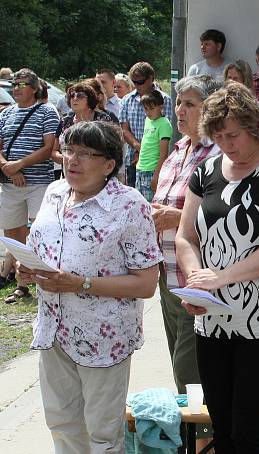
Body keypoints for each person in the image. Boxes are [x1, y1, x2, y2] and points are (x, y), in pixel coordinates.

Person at [174, 82, 259, 453]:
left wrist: (223, 278)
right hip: (212, 318)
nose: (226, 145)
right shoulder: (206, 171)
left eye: (233, 135)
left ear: (254, 127)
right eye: (217, 136)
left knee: (247, 424)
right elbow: (186, 237)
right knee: (221, 423)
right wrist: (196, 282)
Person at [17, 121, 161, 453]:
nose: (72, 160)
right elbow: (44, 250)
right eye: (68, 150)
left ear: (109, 165)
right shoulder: (54, 192)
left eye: (84, 153)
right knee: (62, 425)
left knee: (102, 435)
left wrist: (80, 283)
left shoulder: (130, 205)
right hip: (53, 330)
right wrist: (29, 269)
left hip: (103, 337)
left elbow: (146, 284)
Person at [151, 74, 221, 451]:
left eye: (191, 103)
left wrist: (176, 218)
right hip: (167, 273)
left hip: (197, 276)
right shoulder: (178, 150)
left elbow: (222, 214)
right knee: (183, 369)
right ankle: (196, 438)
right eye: (179, 102)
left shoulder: (218, 153)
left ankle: (203, 441)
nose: (181, 110)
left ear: (209, 108)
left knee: (190, 369)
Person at [0, 68, 60, 295]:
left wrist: (20, 165)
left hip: (38, 183)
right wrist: (9, 168)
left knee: (39, 232)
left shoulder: (47, 111)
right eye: (14, 84)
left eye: (22, 84)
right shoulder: (6, 114)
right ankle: (21, 282)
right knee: (13, 233)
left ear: (34, 88)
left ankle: (42, 280)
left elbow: (48, 148)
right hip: (10, 185)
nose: (16, 88)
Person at [119, 62, 174, 187]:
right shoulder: (126, 100)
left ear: (151, 78)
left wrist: (143, 152)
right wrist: (138, 148)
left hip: (155, 161)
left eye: (141, 82)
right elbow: (124, 130)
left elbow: (164, 132)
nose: (137, 85)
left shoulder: (164, 100)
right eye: (134, 82)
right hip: (133, 158)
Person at [135, 91, 172, 201]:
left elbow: (163, 153)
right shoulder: (147, 120)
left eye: (151, 108)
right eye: (145, 109)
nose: (148, 112)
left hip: (152, 171)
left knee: (150, 207)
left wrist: (156, 175)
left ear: (161, 107)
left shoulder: (164, 123)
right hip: (140, 169)